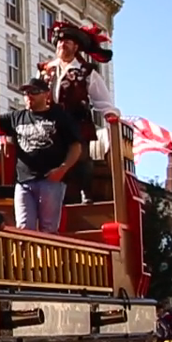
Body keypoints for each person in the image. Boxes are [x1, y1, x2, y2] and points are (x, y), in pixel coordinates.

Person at [0, 79, 81, 233]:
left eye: (34, 92)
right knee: (23, 228)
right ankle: (27, 257)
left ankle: (46, 257)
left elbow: (76, 146)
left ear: (46, 94)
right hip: (23, 181)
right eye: (26, 93)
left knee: (48, 229)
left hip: (50, 180)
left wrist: (63, 169)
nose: (29, 96)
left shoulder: (60, 117)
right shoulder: (17, 117)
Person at [38, 21, 119, 204]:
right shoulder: (46, 70)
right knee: (51, 160)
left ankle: (86, 194)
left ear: (76, 47)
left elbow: (102, 99)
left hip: (77, 122)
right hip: (51, 124)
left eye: (67, 41)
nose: (62, 44)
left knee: (81, 159)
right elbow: (35, 94)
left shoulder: (85, 72)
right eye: (59, 41)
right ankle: (53, 197)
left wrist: (110, 113)